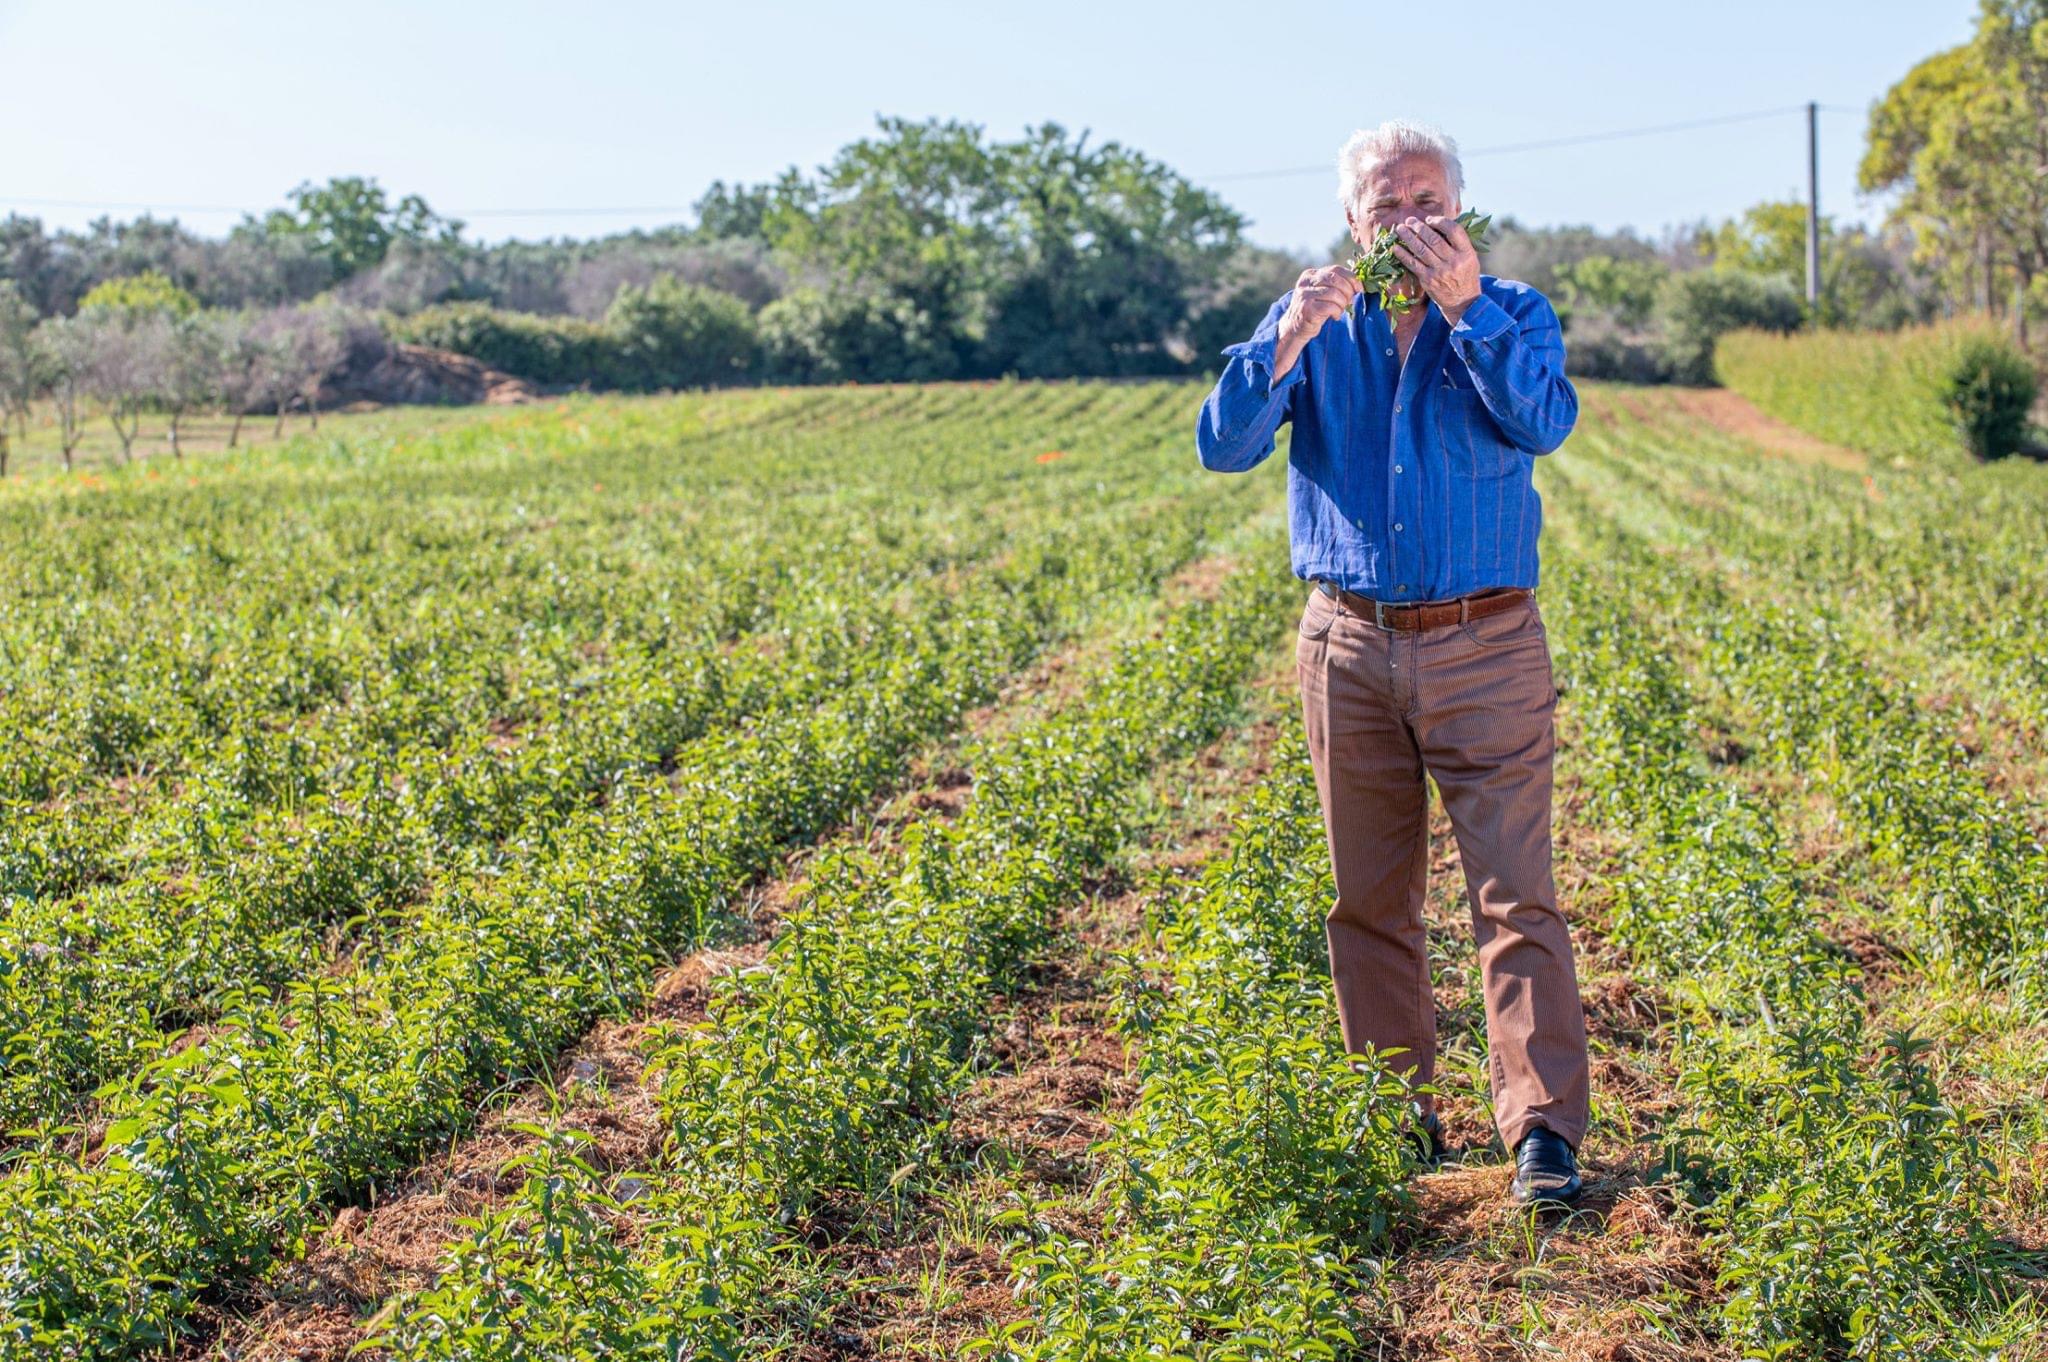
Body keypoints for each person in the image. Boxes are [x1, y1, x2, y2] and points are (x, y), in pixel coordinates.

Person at [1195, 118, 1590, 1205]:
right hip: (1349, 641)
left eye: (1427, 203)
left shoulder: (1510, 313)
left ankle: (1541, 1131)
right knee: (1366, 897)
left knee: (1516, 896)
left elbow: (1542, 422)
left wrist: (1463, 308)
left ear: (1460, 210)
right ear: (1350, 221)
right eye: (1385, 207)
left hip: (1487, 640)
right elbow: (1220, 443)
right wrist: (1282, 332)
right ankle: (1393, 1111)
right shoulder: (1315, 325)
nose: (1407, 223)